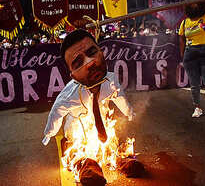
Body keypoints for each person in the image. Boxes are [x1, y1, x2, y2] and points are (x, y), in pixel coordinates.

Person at [42, 29, 139, 185]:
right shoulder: (69, 96)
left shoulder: (111, 80)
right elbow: (56, 113)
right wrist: (49, 133)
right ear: (73, 75)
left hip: (103, 127)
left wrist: (129, 112)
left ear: (101, 52)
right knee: (81, 156)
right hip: (78, 134)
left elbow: (120, 97)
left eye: (92, 52)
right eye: (78, 62)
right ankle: (86, 165)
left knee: (114, 144)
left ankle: (120, 160)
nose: (90, 62)